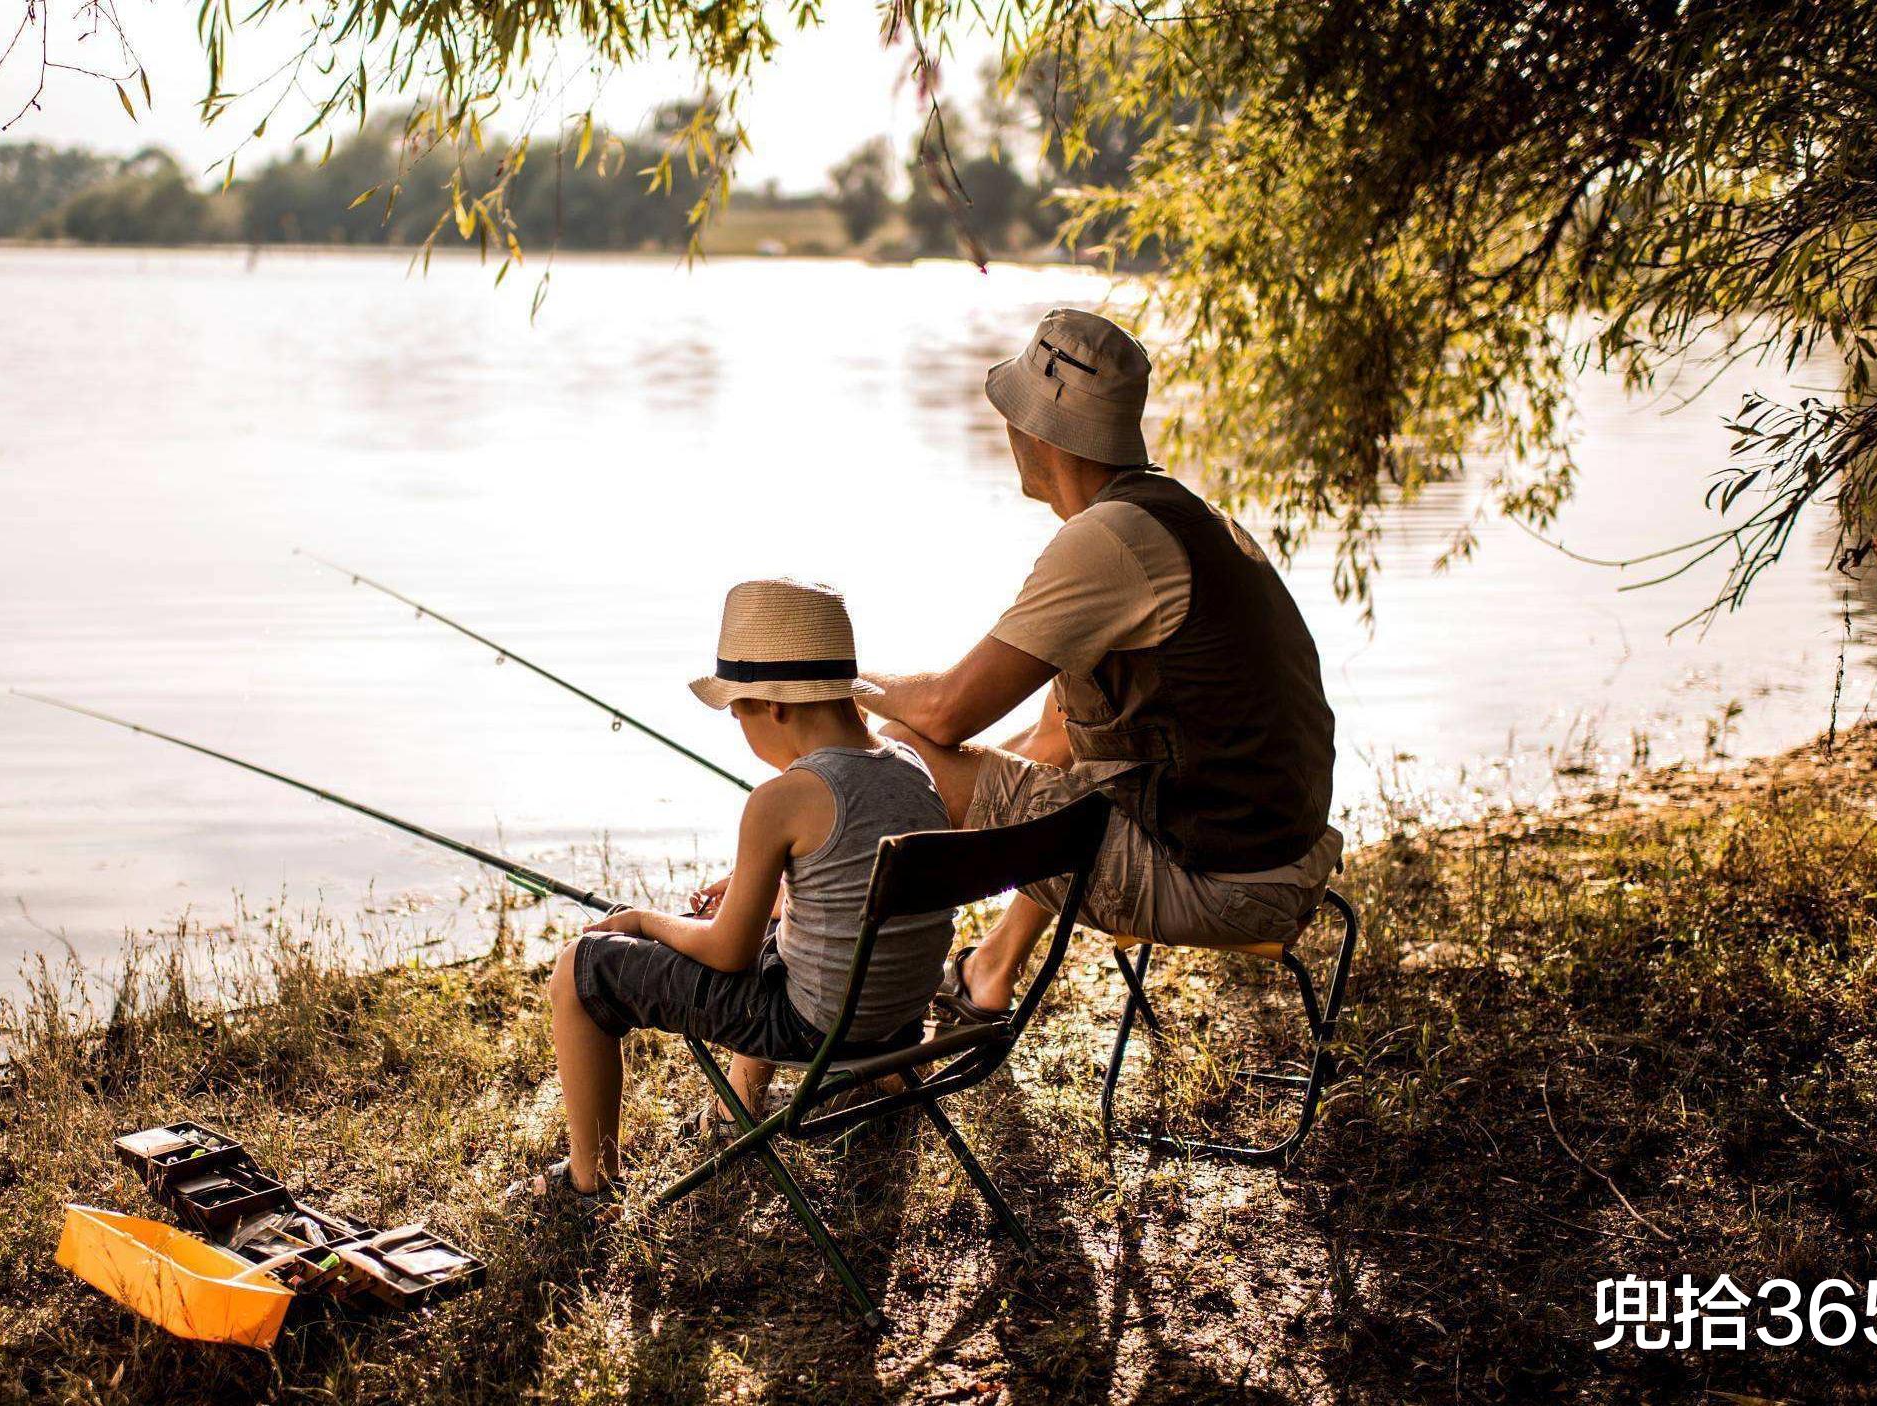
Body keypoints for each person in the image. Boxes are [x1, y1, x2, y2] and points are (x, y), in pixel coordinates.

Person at [859, 308, 1341, 1018]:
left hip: (1229, 882)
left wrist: (833, 682)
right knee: (1044, 771)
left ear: (1035, 432)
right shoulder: (1175, 516)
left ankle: (857, 1020)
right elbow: (1050, 746)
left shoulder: (1108, 542)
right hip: (1281, 857)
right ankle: (987, 970)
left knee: (894, 757)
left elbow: (945, 711)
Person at [521, 578, 955, 1210]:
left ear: (773, 705)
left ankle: (590, 1182)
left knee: (579, 969)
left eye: (738, 712)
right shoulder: (911, 769)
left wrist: (646, 921)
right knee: (781, 940)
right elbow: (851, 886)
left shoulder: (781, 798)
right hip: (898, 1019)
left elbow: (726, 952)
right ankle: (743, 1107)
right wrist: (774, 885)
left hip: (817, 1028)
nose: (741, 728)